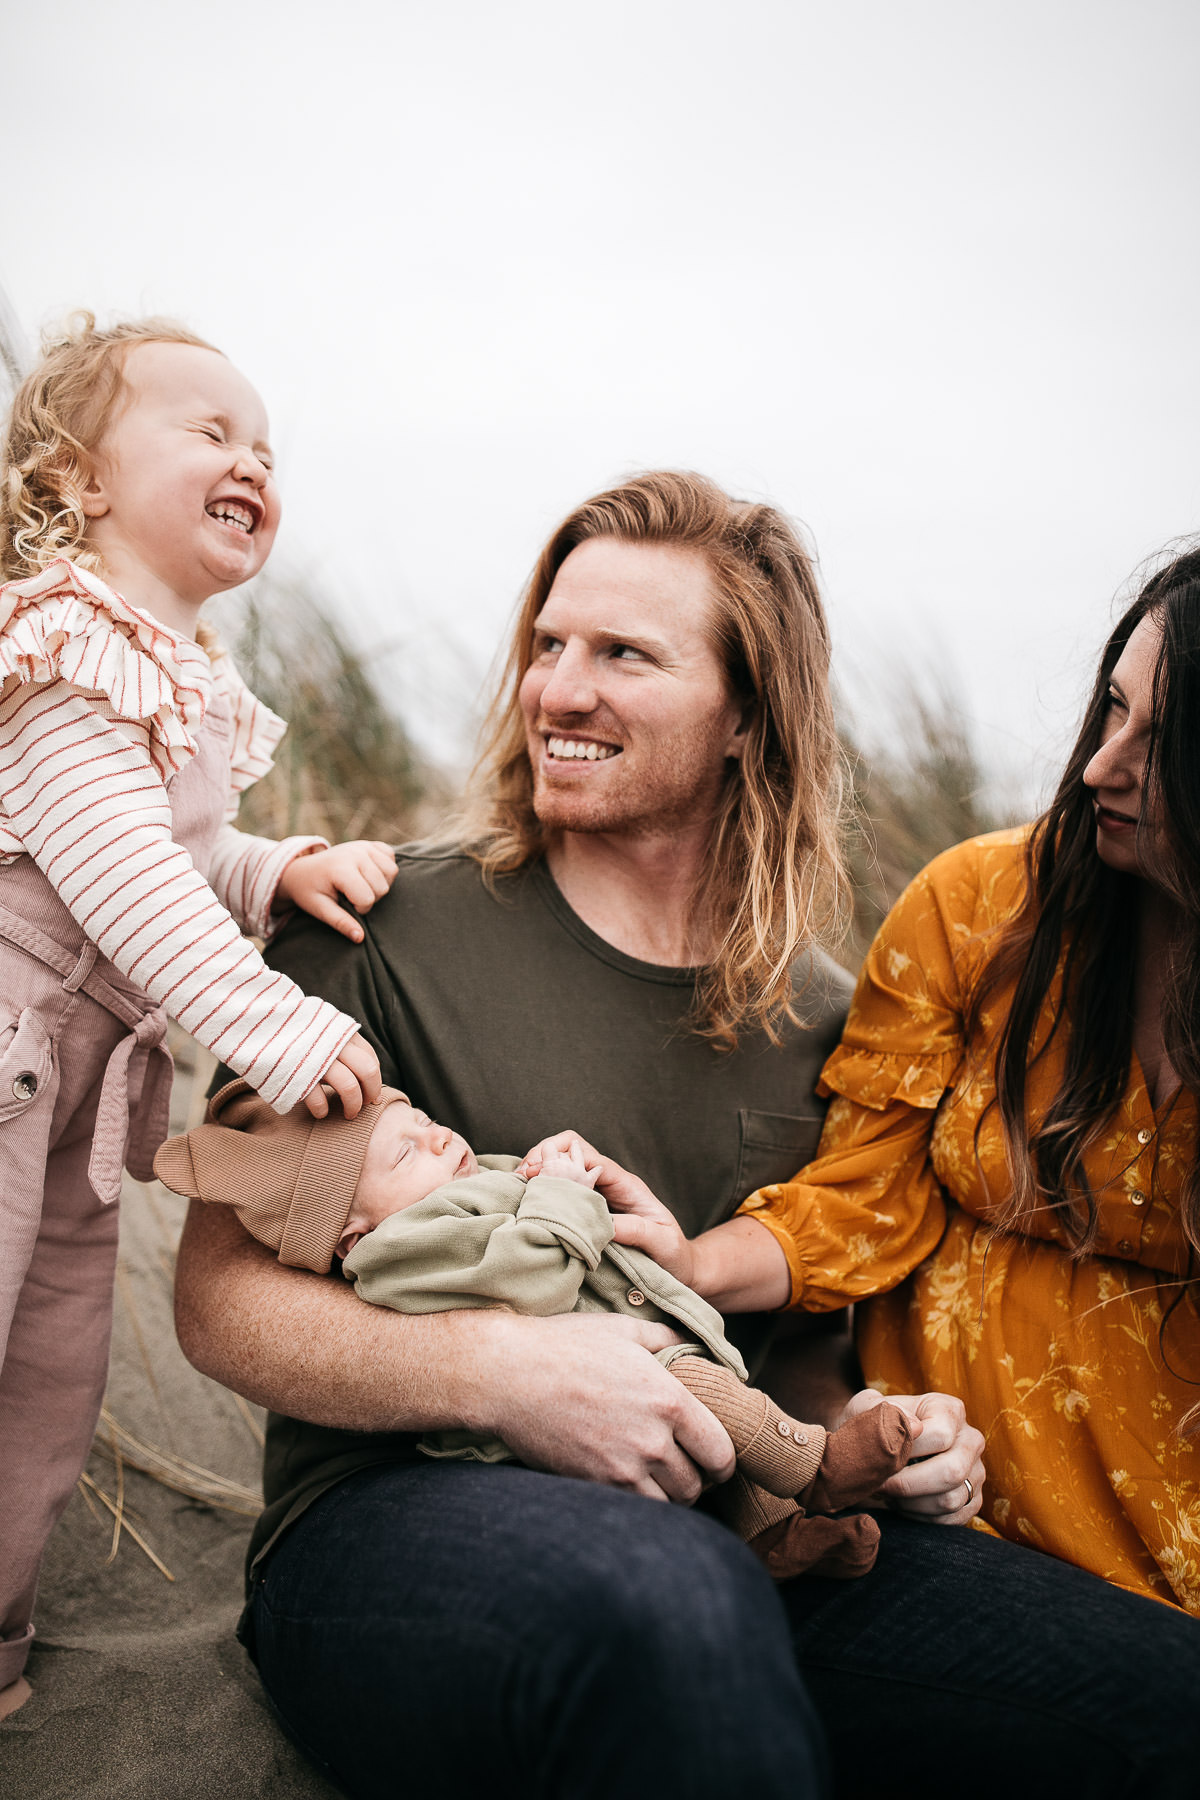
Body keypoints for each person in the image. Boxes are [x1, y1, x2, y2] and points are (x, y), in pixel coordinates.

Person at [176, 475, 1200, 1798]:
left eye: (623, 655)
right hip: (393, 1530)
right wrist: (505, 1376)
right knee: (678, 1599)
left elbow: (808, 1361)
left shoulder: (831, 1017)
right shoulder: (377, 924)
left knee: (1160, 1696)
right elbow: (218, 1298)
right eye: (549, 644)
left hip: (763, 1535)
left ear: (745, 715)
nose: (559, 690)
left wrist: (882, 1441)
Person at [661, 545, 1200, 1619]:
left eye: (1166, 740)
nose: (1102, 763)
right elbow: (869, 1196)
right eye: (1111, 708)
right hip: (949, 1511)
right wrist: (679, 1264)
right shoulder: (983, 905)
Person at [0, 316, 396, 1721]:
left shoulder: (178, 680)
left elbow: (173, 852)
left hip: (76, 1103)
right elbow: (117, 879)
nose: (251, 461)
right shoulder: (59, 643)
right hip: (7, 1056)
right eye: (211, 431)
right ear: (79, 479)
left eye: (266, 448)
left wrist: (270, 864)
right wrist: (276, 1028)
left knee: (52, 1363)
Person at [156, 1080, 917, 1579]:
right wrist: (555, 1194)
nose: (438, 1139)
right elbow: (531, 1278)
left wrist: (540, 1173)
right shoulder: (395, 1253)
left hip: (644, 1360)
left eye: (420, 1121)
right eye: (407, 1150)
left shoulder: (454, 1190)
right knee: (702, 1398)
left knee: (717, 1464)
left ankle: (778, 1540)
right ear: (350, 1234)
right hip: (595, 1390)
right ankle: (816, 1466)